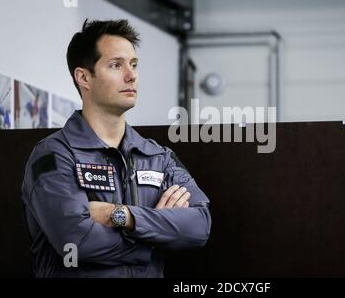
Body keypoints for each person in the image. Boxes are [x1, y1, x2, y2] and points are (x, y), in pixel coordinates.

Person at [21, 19, 211, 278]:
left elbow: (199, 226)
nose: (131, 75)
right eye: (116, 65)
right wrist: (155, 238)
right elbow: (76, 244)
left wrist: (123, 216)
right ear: (84, 77)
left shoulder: (158, 157)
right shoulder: (54, 155)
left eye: (133, 64)